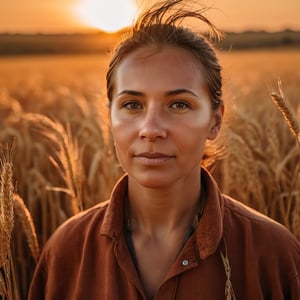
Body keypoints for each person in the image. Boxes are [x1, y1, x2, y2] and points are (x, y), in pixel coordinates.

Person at [28, 0, 300, 299]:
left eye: (179, 104)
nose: (151, 129)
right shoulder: (66, 252)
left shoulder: (273, 255)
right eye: (132, 105)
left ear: (215, 120)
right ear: (109, 119)